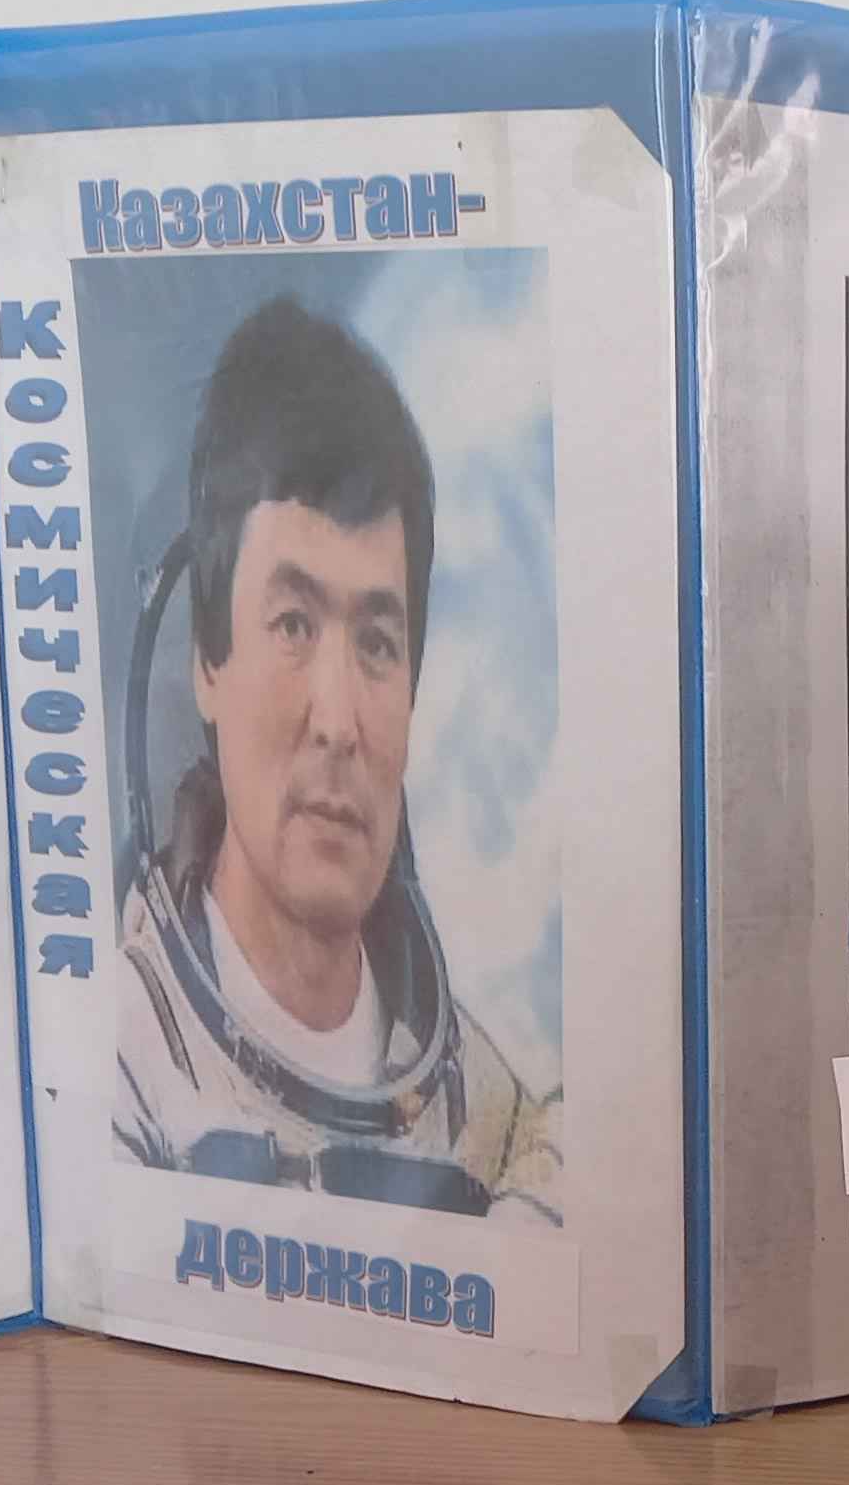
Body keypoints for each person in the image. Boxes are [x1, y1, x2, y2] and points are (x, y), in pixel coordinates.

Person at [111, 294, 559, 1218]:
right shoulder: (117, 1073)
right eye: (292, 624)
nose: (339, 720)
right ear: (207, 664)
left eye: (378, 645)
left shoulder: (503, 1129)